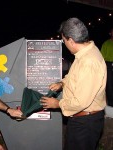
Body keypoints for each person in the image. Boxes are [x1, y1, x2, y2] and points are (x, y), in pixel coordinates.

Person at [40, 18, 107, 150]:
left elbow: (81, 102)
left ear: (71, 40)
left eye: (63, 40)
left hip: (85, 123)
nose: (64, 44)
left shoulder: (89, 62)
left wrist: (57, 103)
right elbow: (75, 78)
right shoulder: (83, 54)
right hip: (81, 119)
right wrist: (62, 83)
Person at [101, 27, 113, 107]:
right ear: (110, 33)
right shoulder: (106, 43)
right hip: (108, 64)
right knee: (109, 85)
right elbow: (102, 57)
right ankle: (111, 104)